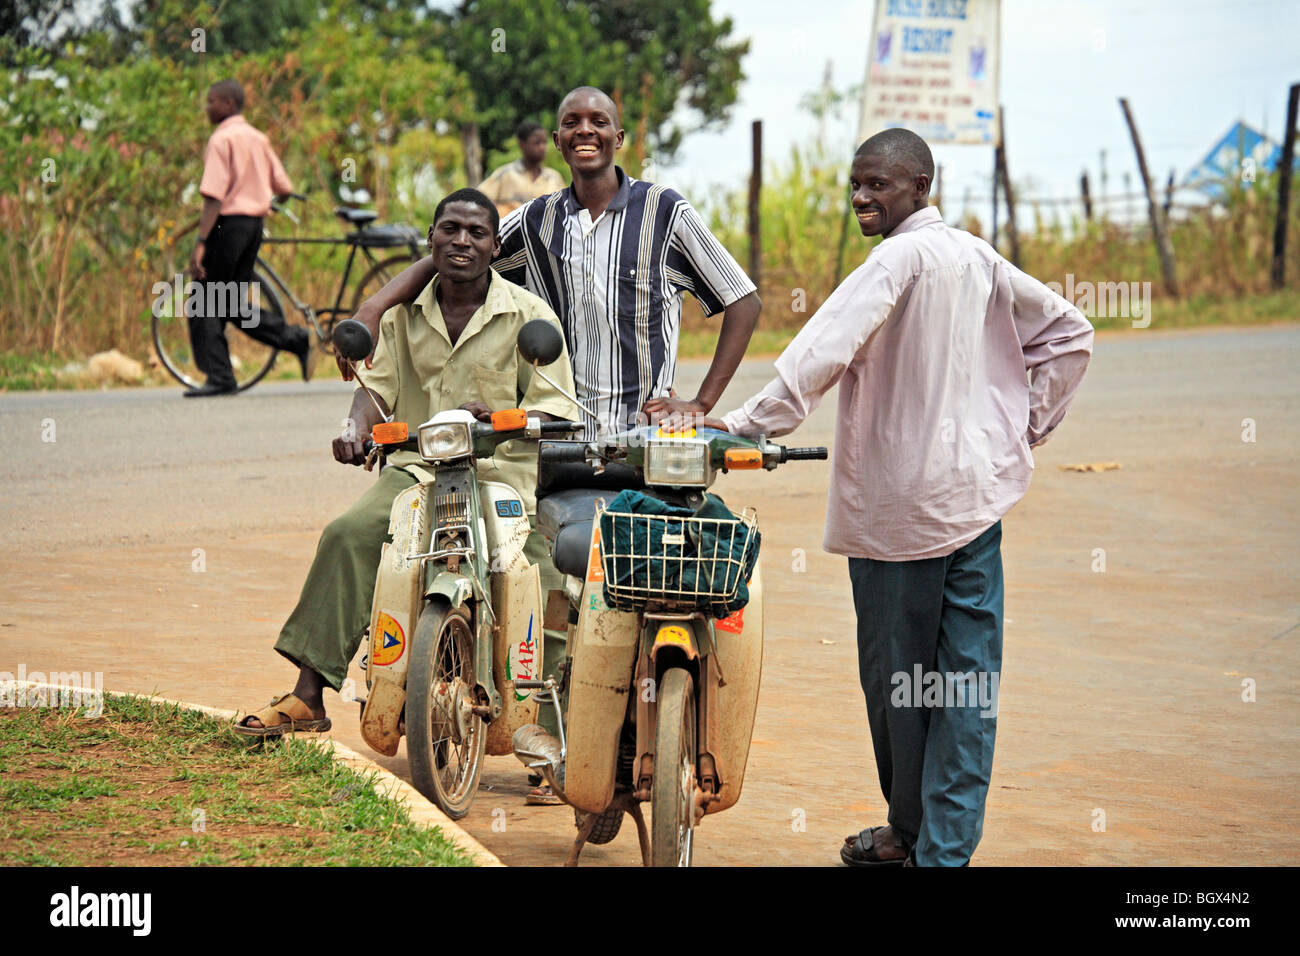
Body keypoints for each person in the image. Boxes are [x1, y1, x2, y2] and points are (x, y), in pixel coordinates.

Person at [684, 129, 1094, 866]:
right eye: (857, 184)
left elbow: (819, 353)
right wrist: (1016, 433)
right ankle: (937, 851)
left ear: (920, 189)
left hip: (900, 514)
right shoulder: (975, 255)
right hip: (974, 504)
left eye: (880, 184)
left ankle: (910, 834)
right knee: (965, 690)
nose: (863, 198)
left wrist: (741, 428)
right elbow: (1069, 333)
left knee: (901, 688)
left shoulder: (897, 259)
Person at [348, 85, 762, 803]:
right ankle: (550, 740)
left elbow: (743, 299)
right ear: (560, 138)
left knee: (645, 571)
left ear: (621, 136)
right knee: (530, 568)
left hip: (641, 444)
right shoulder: (537, 219)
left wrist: (701, 402)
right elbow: (457, 255)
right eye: (572, 121)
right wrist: (380, 303)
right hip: (554, 440)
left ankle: (639, 730)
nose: (584, 132)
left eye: (598, 121)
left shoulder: (665, 213)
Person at [235, 188, 579, 739]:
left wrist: (500, 415)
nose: (461, 240)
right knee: (348, 534)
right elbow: (376, 389)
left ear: (495, 247)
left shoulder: (530, 315)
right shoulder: (401, 316)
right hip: (419, 470)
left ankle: (549, 726)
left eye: (476, 232)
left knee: (540, 576)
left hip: (500, 477)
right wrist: (355, 427)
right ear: (431, 239)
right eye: (449, 228)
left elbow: (557, 405)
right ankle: (307, 695)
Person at [185, 79, 315, 397]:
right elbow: (283, 189)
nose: (207, 107)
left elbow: (214, 198)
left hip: (226, 226)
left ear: (229, 104)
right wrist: (262, 202)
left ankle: (221, 376)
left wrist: (200, 242)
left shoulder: (221, 139)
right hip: (253, 226)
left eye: (212, 101)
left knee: (204, 299)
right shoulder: (258, 138)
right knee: (228, 303)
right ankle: (295, 339)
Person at [477, 120, 567, 218]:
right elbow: (478, 199)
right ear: (522, 144)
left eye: (544, 143)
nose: (542, 147)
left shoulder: (553, 178)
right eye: (537, 143)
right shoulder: (506, 174)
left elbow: (565, 209)